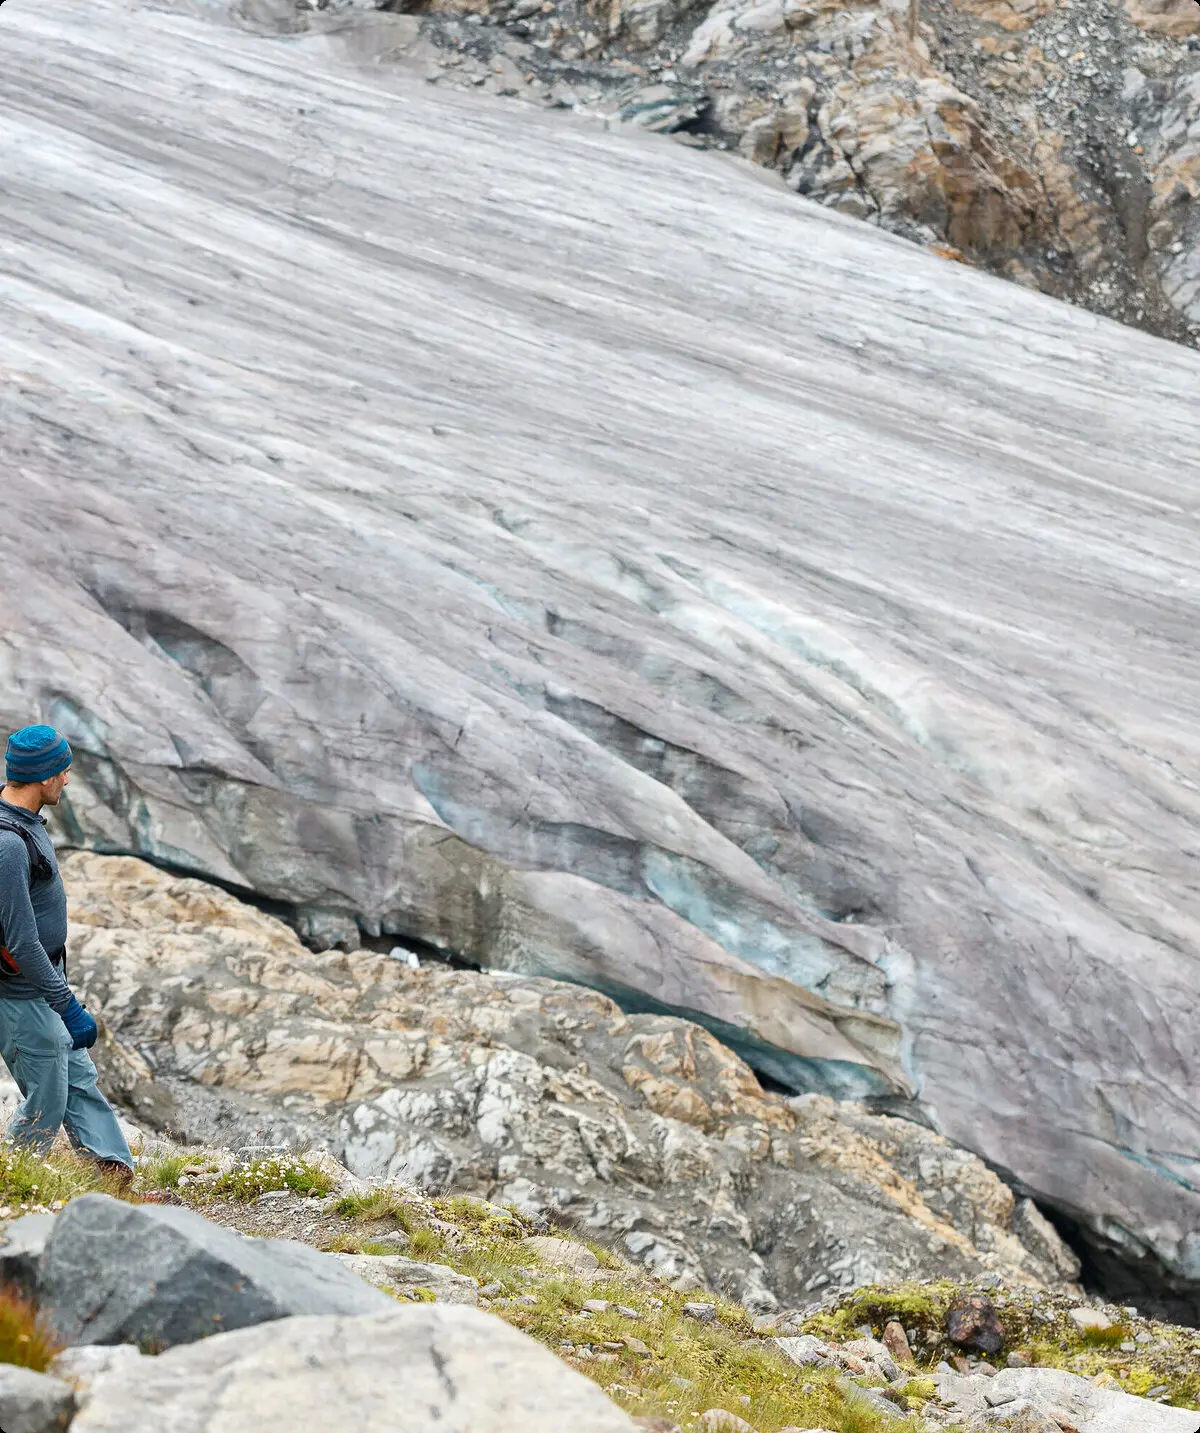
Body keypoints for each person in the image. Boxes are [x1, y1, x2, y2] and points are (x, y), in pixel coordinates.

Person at [0, 724, 133, 1184]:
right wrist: (68, 1006)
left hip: (40, 986)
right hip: (20, 994)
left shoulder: (23, 822)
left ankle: (115, 1176)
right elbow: (21, 941)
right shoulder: (8, 845)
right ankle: (11, 1181)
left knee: (79, 1079)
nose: (67, 781)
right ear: (43, 777)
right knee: (47, 1099)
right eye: (63, 772)